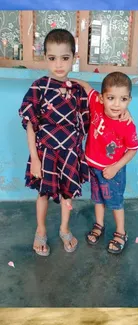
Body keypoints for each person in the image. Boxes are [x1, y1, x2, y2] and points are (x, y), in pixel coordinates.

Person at [18, 29, 90, 256]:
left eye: (65, 58)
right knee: (42, 194)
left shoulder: (79, 90)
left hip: (70, 153)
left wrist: (85, 86)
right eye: (52, 58)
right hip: (45, 153)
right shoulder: (38, 87)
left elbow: (92, 116)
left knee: (68, 194)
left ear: (74, 58)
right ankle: (40, 230)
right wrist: (35, 159)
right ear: (45, 58)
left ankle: (64, 228)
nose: (59, 64)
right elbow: (30, 124)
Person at [73, 72, 138, 254]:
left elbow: (133, 149)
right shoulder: (96, 103)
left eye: (123, 99)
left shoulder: (127, 125)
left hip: (112, 171)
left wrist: (116, 167)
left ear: (129, 100)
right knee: (97, 199)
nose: (117, 104)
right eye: (111, 98)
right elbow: (87, 87)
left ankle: (120, 232)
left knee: (115, 202)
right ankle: (99, 225)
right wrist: (69, 80)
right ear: (102, 98)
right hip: (93, 167)